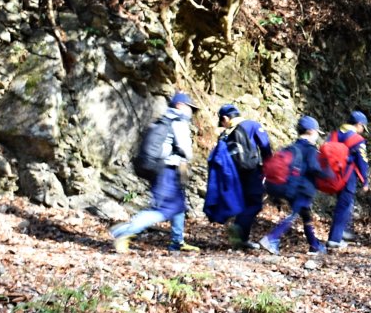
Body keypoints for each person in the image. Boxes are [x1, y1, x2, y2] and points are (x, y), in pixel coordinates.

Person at [112, 92, 199, 253]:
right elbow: (186, 150)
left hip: (159, 168)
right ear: (180, 105)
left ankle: (177, 241)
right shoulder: (178, 121)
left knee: (178, 205)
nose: (191, 113)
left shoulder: (162, 119)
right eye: (189, 108)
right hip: (167, 170)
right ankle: (123, 231)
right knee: (163, 209)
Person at [260, 116, 331, 255]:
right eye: (317, 132)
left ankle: (314, 245)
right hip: (301, 189)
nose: (317, 136)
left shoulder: (292, 147)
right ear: (311, 131)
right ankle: (271, 238)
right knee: (293, 215)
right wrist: (328, 175)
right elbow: (314, 167)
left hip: (289, 186)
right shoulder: (310, 149)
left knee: (306, 215)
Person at [217, 104, 272, 248]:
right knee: (254, 203)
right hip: (251, 171)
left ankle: (241, 240)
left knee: (243, 204)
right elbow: (265, 147)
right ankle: (239, 229)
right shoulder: (252, 125)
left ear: (225, 118)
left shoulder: (225, 134)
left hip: (232, 175)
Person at [326, 110, 371, 249]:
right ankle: (335, 239)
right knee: (344, 207)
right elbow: (362, 161)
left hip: (332, 174)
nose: (363, 130)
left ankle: (341, 233)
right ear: (359, 124)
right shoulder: (357, 140)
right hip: (347, 177)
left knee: (343, 205)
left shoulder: (334, 135)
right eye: (363, 127)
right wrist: (365, 181)